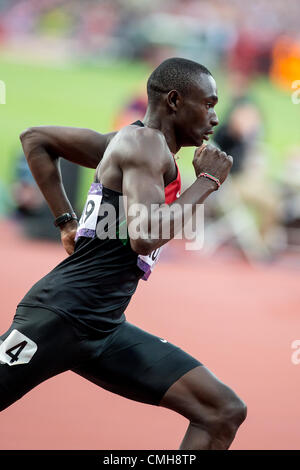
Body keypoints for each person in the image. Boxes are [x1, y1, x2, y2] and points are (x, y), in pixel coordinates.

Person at [0, 58, 246, 450]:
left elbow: (36, 140)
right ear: (175, 100)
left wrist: (66, 221)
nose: (215, 117)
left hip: (103, 325)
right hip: (61, 315)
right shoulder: (142, 143)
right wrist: (208, 181)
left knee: (222, 410)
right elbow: (145, 236)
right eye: (209, 104)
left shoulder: (126, 142)